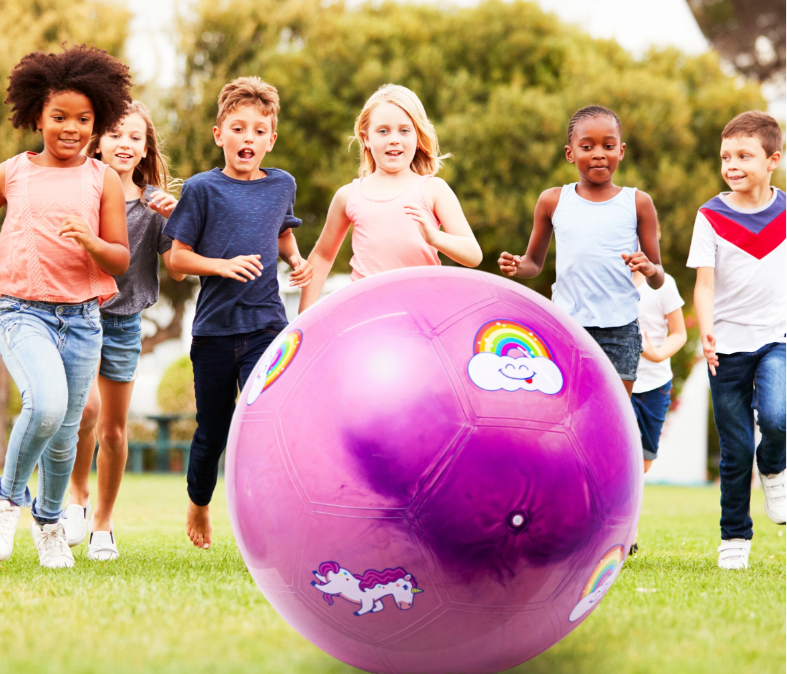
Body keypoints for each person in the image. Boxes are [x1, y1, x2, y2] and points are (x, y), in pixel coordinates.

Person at [164, 76, 312, 550]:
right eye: (238, 128)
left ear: (271, 139)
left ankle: (268, 520)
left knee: (267, 423)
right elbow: (177, 259)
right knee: (213, 431)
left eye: (258, 131)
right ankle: (199, 502)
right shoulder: (201, 189)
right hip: (214, 332)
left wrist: (296, 259)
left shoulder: (282, 184)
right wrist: (221, 265)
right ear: (219, 134)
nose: (248, 138)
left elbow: (282, 230)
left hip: (267, 326)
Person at [0, 45, 132, 568]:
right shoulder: (13, 173)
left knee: (65, 435)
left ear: (97, 124)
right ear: (37, 116)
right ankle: (7, 500)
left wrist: (93, 244)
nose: (71, 128)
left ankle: (50, 525)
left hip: (82, 319)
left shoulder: (103, 179)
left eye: (83, 119)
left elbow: (120, 258)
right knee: (47, 406)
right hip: (21, 311)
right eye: (59, 117)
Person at [61, 101, 187, 561]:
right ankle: (77, 493)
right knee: (84, 412)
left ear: (146, 148)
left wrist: (180, 220)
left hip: (124, 322)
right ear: (98, 142)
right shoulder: (78, 191)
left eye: (135, 137)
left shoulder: (155, 206)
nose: (125, 144)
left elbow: (177, 270)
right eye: (115, 134)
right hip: (78, 315)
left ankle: (103, 522)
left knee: (113, 431)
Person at [498, 105, 665, 396]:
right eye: (587, 147)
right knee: (569, 407)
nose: (599, 154)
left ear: (621, 151)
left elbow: (658, 277)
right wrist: (517, 265)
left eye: (608, 146)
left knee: (613, 411)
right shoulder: (552, 201)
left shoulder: (638, 203)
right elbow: (533, 263)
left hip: (620, 330)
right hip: (567, 326)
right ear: (570, 153)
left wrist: (650, 269)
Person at [688, 110, 785, 571]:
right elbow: (704, 285)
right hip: (724, 348)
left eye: (744, 156)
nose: (732, 164)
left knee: (778, 419)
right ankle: (734, 536)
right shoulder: (710, 216)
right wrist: (705, 331)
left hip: (776, 339)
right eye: (726, 156)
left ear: (772, 161)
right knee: (736, 448)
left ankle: (775, 466)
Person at [298, 84, 482, 312]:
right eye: (383, 131)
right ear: (366, 138)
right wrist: (302, 320)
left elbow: (473, 255)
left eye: (404, 130)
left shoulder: (434, 190)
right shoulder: (348, 196)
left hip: (423, 316)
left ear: (417, 137)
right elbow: (322, 257)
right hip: (368, 317)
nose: (394, 139)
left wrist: (435, 237)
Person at [628, 267, 687, 555]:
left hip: (655, 384)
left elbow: (679, 333)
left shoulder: (664, 284)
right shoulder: (605, 279)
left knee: (643, 463)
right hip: (618, 381)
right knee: (621, 455)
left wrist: (657, 354)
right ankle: (628, 530)